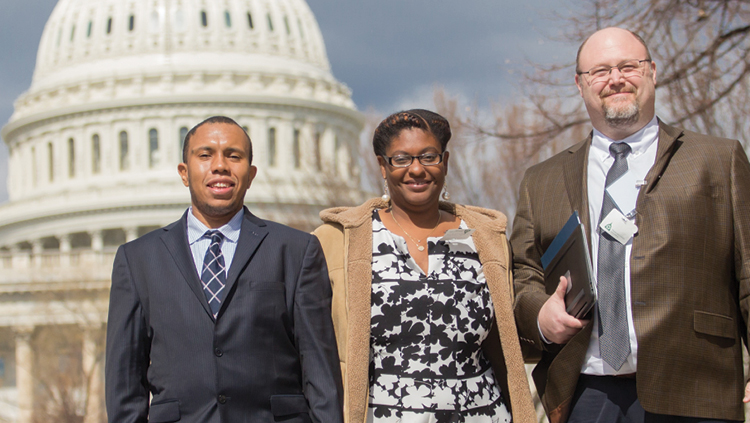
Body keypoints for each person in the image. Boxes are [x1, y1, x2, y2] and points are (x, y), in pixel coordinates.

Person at [512, 27, 750, 423]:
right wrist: (540, 315)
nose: (616, 79)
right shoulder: (541, 180)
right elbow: (524, 272)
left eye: (628, 66)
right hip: (585, 391)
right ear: (580, 84)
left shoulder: (718, 159)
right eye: (600, 71)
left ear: (653, 72)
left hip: (696, 384)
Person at [105, 116, 343, 423]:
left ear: (251, 173)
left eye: (234, 155)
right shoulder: (137, 259)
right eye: (205, 155)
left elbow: (320, 369)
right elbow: (124, 381)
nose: (220, 166)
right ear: (184, 172)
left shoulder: (296, 250)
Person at [314, 109, 536, 423]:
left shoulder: (484, 238)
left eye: (428, 157)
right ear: (382, 166)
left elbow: (509, 332)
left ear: (444, 161)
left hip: (482, 414)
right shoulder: (339, 241)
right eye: (402, 159)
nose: (416, 169)